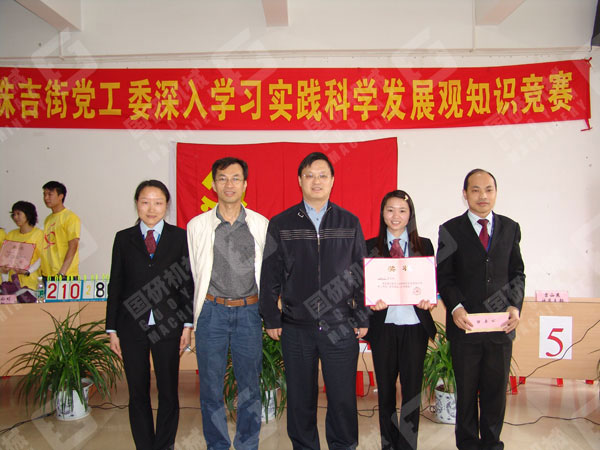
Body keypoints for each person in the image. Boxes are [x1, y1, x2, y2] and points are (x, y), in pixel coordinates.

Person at [260, 152, 369, 450]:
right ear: (299, 180)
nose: (316, 181)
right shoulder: (281, 223)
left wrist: (362, 316)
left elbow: (361, 271)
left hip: (340, 325)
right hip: (296, 326)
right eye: (309, 175)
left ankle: (343, 445)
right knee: (300, 398)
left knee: (342, 398)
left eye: (322, 175)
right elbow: (270, 274)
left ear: (332, 180)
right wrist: (271, 316)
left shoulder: (349, 222)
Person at [436, 169, 525, 450]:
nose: (482, 195)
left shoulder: (510, 227)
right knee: (465, 394)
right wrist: (456, 308)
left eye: (488, 189)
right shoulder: (450, 229)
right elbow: (444, 276)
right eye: (475, 190)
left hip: (500, 327)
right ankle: (467, 445)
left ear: (496, 193)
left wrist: (515, 306)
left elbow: (517, 273)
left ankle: (492, 444)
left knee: (495, 393)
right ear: (465, 194)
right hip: (466, 327)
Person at [187, 157, 269, 450]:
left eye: (235, 178)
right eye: (222, 178)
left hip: (249, 312)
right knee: (210, 388)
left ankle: (247, 444)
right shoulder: (198, 225)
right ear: (213, 184)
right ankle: (217, 445)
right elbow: (193, 273)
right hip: (212, 312)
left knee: (249, 387)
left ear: (245, 184)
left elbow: (270, 271)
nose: (229, 184)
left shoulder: (260, 224)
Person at [106, 180, 194, 450]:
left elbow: (186, 282)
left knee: (168, 391)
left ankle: (164, 444)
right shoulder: (124, 238)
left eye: (158, 202)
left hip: (169, 325)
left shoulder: (179, 237)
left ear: (167, 205)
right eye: (145, 202)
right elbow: (116, 283)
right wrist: (112, 330)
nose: (151, 208)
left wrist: (187, 325)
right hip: (131, 326)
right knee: (137, 391)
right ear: (137, 204)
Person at [364, 190, 436, 450]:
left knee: (412, 392)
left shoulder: (424, 245)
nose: (396, 216)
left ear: (410, 215)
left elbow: (432, 283)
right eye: (390, 210)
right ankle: (388, 444)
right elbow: (361, 286)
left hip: (415, 327)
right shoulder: (369, 246)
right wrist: (370, 301)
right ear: (382, 213)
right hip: (383, 328)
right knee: (385, 392)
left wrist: (430, 299)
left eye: (402, 210)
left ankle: (407, 445)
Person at [41, 181, 81, 278]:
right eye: (44, 194)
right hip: (47, 274)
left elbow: (73, 245)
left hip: (64, 275)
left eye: (50, 194)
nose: (46, 198)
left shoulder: (70, 217)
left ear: (61, 196)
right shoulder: (48, 219)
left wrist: (62, 272)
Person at [0, 201, 44, 290]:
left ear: (28, 214)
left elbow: (42, 258)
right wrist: (4, 268)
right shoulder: (11, 234)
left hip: (31, 283)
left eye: (18, 214)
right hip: (13, 284)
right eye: (13, 214)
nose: (15, 217)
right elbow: (5, 258)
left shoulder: (39, 234)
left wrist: (28, 271)